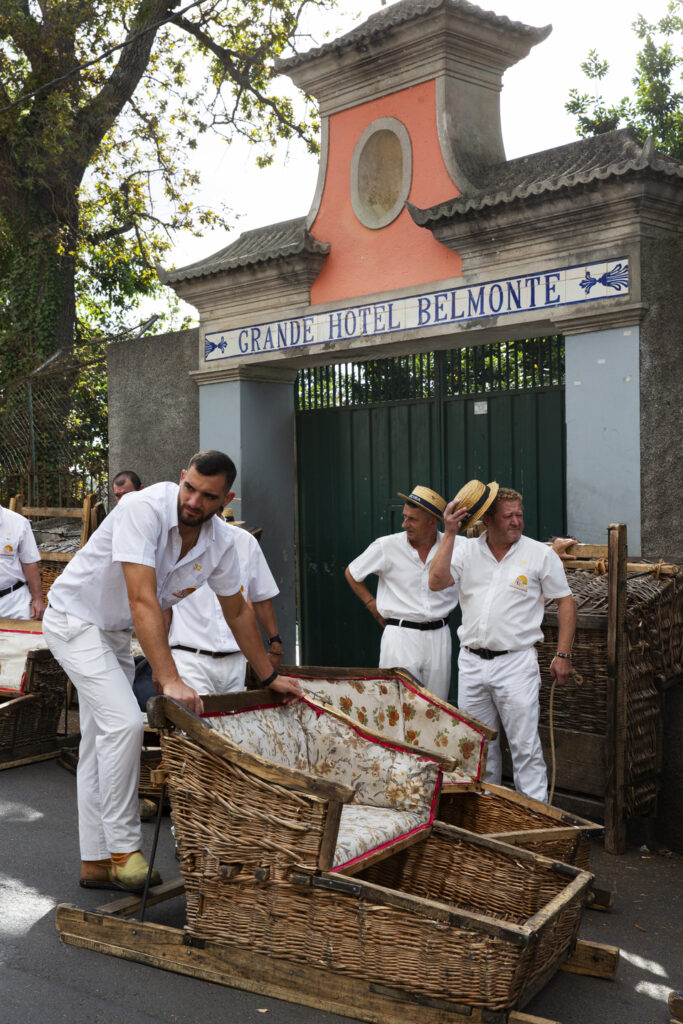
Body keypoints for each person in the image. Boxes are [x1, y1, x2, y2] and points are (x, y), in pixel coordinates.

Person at [42, 450, 303, 893]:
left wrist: (268, 674)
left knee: (99, 739)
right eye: (191, 488)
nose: (195, 502)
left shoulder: (220, 542)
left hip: (114, 634)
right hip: (74, 620)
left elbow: (237, 610)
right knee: (124, 722)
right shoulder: (141, 508)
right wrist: (169, 677)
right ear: (181, 478)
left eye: (208, 496)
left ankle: (95, 861)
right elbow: (143, 600)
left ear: (227, 499)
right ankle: (125, 852)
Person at [429, 486, 577, 803]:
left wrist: (563, 653)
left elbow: (566, 601)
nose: (516, 521)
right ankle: (486, 815)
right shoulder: (466, 551)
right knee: (478, 747)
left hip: (516, 664)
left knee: (525, 746)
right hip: (471, 663)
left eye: (519, 515)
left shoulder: (539, 554)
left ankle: (534, 821)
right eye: (508, 516)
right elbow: (436, 581)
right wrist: (450, 533)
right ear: (489, 521)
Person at [133, 521, 282, 705]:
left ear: (226, 498)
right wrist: (158, 667)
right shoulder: (174, 543)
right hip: (190, 658)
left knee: (232, 727)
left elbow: (261, 597)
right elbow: (163, 609)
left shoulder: (245, 542)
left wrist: (275, 644)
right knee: (194, 728)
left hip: (235, 659)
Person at [345, 485, 468, 701]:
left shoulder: (458, 546)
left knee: (437, 706)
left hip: (439, 634)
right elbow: (352, 573)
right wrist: (372, 605)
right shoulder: (386, 546)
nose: (404, 524)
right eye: (404, 517)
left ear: (432, 522)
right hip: (400, 635)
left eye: (412, 519)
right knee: (395, 703)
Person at [0, 500, 45, 620]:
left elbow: (29, 562)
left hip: (13, 602)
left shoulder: (18, 523)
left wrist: (38, 599)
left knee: (22, 638)